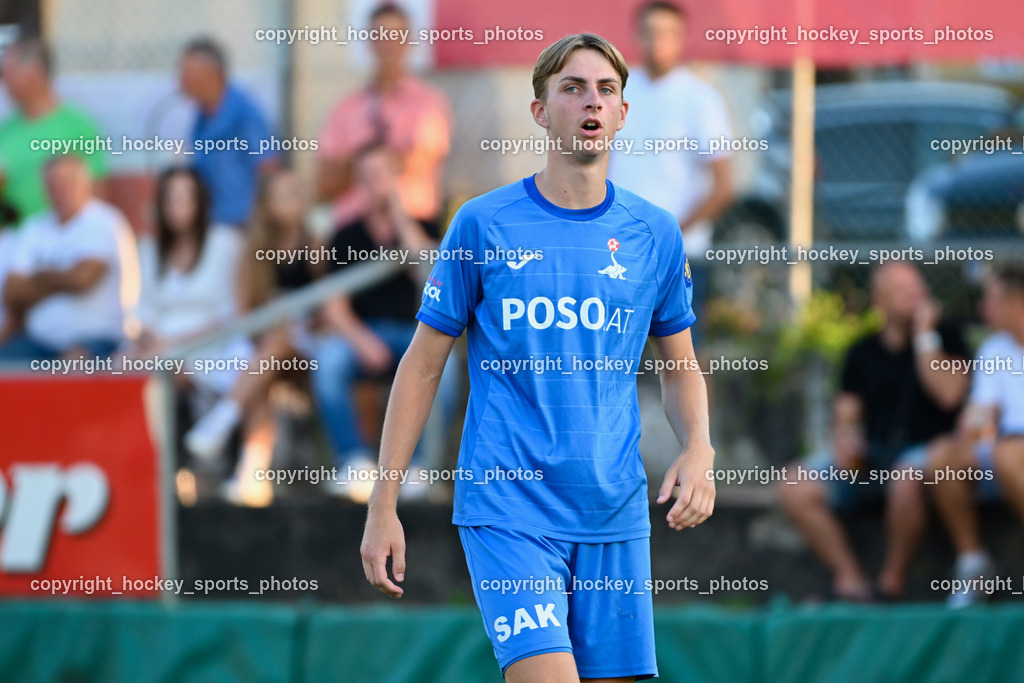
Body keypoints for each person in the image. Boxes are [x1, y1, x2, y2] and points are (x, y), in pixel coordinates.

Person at [361, 33, 715, 682]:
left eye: (606, 90)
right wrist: (383, 503)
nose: (591, 101)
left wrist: (699, 448)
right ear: (540, 111)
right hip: (509, 507)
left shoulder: (656, 233)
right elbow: (421, 364)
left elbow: (680, 362)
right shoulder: (482, 224)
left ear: (622, 114)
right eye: (572, 87)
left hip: (612, 511)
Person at [778, 262, 971, 601]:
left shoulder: (948, 337)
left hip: (929, 457)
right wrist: (846, 439)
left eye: (919, 289)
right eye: (905, 291)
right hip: (874, 455)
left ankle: (891, 583)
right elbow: (846, 416)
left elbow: (948, 393)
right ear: (880, 301)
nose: (917, 297)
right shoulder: (861, 351)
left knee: (906, 477)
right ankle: (850, 579)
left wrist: (926, 336)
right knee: (795, 483)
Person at [314, 144, 458, 500]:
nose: (375, 183)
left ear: (397, 178)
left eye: (382, 174)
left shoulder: (423, 225)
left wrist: (398, 212)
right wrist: (361, 341)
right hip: (365, 336)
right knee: (329, 360)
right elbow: (333, 305)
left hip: (416, 336)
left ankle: (420, 466)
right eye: (367, 176)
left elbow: (432, 283)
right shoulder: (345, 235)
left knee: (450, 366)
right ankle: (354, 461)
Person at [607, 1, 734, 341]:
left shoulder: (699, 98)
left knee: (687, 356)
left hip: (681, 255)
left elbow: (724, 185)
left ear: (681, 38)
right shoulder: (617, 92)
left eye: (667, 33)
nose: (657, 41)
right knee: (612, 355)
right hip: (621, 250)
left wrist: (671, 234)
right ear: (637, 35)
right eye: (650, 32)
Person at [183, 168, 321, 464]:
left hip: (308, 342)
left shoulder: (314, 245)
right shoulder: (252, 252)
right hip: (265, 345)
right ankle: (252, 473)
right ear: (266, 206)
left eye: (295, 195)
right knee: (261, 368)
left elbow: (330, 306)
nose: (293, 202)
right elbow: (243, 315)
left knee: (268, 353)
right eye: (283, 197)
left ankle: (222, 419)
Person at [131, 167, 249, 446]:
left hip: (213, 347)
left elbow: (231, 313)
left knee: (165, 375)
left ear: (201, 201)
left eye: (186, 197)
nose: (178, 205)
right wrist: (149, 338)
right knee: (116, 368)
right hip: (159, 348)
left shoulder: (226, 243)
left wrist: (175, 344)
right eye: (171, 198)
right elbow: (140, 311)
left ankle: (178, 458)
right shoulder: (149, 249)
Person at [928, 265, 1024, 607]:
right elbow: (983, 414)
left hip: (1012, 452)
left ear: (1018, 303)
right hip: (1005, 447)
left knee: (1009, 454)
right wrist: (969, 435)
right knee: (942, 455)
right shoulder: (993, 350)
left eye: (991, 300)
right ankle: (975, 565)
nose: (983, 310)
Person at [317, 2, 451, 229]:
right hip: (355, 226)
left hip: (412, 221)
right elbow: (324, 181)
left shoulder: (429, 102)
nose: (388, 44)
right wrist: (388, 159)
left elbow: (418, 160)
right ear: (369, 42)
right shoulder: (347, 107)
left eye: (396, 35)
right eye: (381, 35)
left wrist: (353, 164)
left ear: (408, 41)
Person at [0, 154, 136, 361]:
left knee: (72, 368)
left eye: (68, 182)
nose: (60, 189)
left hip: (99, 340)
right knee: (7, 364)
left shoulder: (105, 221)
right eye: (53, 183)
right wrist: (65, 276)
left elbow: (83, 279)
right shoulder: (33, 227)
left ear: (87, 184)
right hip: (39, 342)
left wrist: (38, 276)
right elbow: (12, 291)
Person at [0, 35, 108, 223]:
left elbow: (98, 189)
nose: (4, 79)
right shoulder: (5, 131)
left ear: (35, 73)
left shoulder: (76, 126)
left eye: (9, 70)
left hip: (61, 245)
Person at [179, 38, 280, 228]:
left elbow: (268, 168)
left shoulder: (245, 113)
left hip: (244, 227)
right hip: (212, 225)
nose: (180, 80)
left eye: (187, 72)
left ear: (211, 73)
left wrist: (261, 228)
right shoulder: (201, 117)